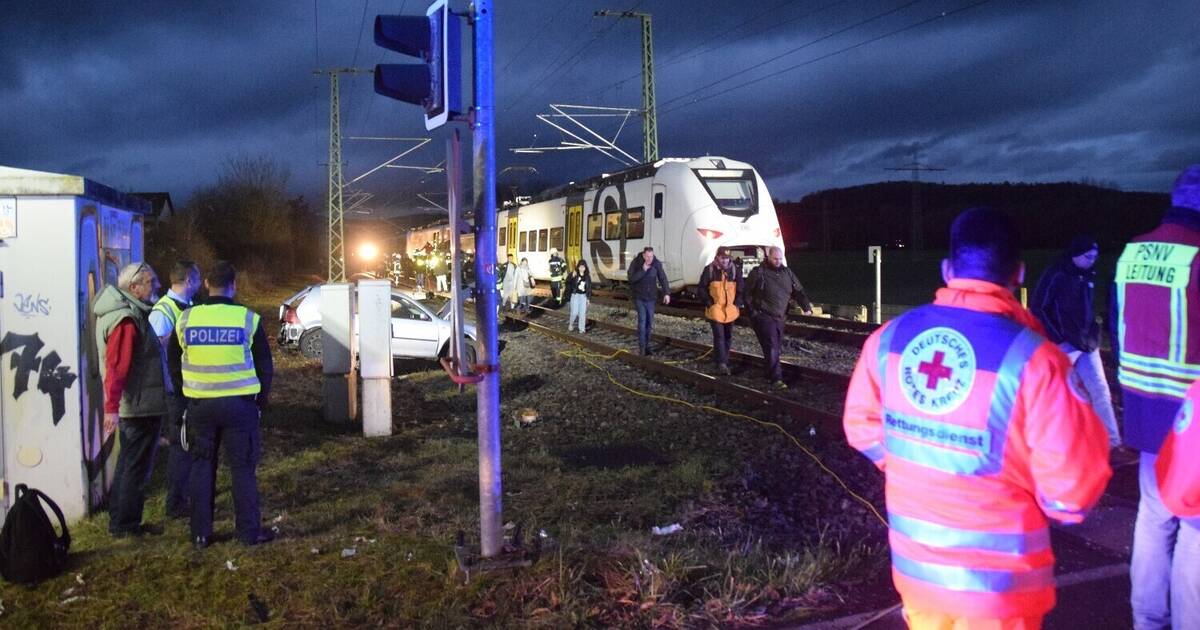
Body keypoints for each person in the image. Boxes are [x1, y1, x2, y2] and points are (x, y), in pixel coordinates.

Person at [844, 207, 1111, 629]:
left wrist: (912, 467)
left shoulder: (889, 338)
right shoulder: (1037, 361)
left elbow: (861, 426)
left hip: (917, 580)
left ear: (947, 269)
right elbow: (1071, 496)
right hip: (1002, 595)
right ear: (1019, 273)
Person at [1111, 164, 1200, 629]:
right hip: (1193, 419)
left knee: (1153, 516)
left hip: (1145, 411)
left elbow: (1116, 326)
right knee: (1196, 528)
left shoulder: (1131, 253)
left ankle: (1147, 618)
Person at [168, 261, 274, 549]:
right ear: (234, 285)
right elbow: (265, 364)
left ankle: (201, 534)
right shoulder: (247, 319)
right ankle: (248, 533)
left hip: (200, 405)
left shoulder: (187, 319)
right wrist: (260, 402)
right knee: (242, 469)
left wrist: (184, 395)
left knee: (202, 468)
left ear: (205, 284)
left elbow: (174, 363)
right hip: (240, 407)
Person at [94, 262, 166, 537]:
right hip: (137, 407)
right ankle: (126, 526)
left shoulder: (128, 314)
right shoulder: (126, 320)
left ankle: (120, 521)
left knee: (128, 463)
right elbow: (117, 366)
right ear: (134, 288)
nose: (156, 286)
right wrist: (111, 408)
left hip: (137, 404)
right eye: (151, 282)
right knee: (135, 467)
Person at [1029, 235, 1121, 447]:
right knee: (1055, 393)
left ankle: (1112, 443)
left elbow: (1087, 309)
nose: (1092, 260)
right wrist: (1057, 336)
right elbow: (1039, 307)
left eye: (1095, 256)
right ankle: (1046, 442)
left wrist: (1093, 333)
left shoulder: (1090, 273)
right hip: (1064, 345)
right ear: (1076, 254)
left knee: (1100, 389)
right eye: (1088, 256)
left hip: (1088, 344)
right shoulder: (1056, 274)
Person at [149, 261, 202, 520]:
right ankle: (175, 503)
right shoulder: (163, 311)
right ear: (189, 279)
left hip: (187, 386)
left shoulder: (187, 306)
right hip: (175, 391)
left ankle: (186, 496)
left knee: (188, 445)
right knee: (180, 447)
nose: (201, 281)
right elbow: (158, 352)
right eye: (198, 277)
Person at [744, 246, 812, 389]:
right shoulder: (758, 273)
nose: (778, 261)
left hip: (780, 317)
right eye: (775, 258)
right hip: (764, 316)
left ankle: (769, 374)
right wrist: (753, 313)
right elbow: (747, 294)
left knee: (774, 347)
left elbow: (798, 290)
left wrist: (806, 306)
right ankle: (776, 379)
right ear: (768, 257)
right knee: (772, 347)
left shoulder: (787, 273)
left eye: (780, 259)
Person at [698, 246, 743, 375]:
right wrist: (709, 303)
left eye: (727, 258)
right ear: (717, 257)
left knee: (727, 336)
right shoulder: (710, 270)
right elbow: (702, 288)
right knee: (719, 336)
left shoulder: (735, 270)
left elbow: (741, 288)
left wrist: (737, 304)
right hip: (716, 310)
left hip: (731, 310)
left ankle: (722, 360)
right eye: (723, 258)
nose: (725, 261)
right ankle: (722, 363)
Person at [627, 247, 671, 355]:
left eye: (651, 256)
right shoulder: (636, 263)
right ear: (643, 255)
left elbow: (663, 278)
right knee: (642, 322)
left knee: (649, 323)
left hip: (651, 298)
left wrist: (667, 293)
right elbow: (631, 278)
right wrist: (643, 270)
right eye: (647, 256)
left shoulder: (656, 264)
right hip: (639, 297)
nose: (649, 259)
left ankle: (647, 346)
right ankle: (642, 348)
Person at [565, 259, 592, 333]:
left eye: (583, 267)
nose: (582, 268)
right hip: (575, 296)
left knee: (582, 313)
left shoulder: (587, 277)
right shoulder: (574, 274)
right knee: (574, 312)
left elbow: (589, 288)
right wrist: (571, 276)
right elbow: (567, 282)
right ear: (578, 267)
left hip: (583, 296)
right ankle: (571, 324)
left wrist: (588, 298)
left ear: (585, 268)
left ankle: (582, 329)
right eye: (580, 267)